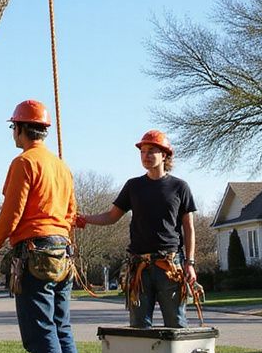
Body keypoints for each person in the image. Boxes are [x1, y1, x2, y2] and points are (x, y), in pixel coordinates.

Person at [0, 100, 84, 353]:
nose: (14, 133)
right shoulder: (61, 167)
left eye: (14, 127)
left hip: (35, 253)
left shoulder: (24, 163)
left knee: (40, 331)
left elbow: (11, 214)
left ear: (22, 129)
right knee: (60, 328)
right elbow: (70, 214)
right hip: (61, 251)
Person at [76, 129, 197, 328]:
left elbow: (189, 227)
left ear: (164, 155)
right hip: (140, 267)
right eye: (142, 151)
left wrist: (190, 263)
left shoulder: (179, 187)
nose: (146, 156)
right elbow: (111, 216)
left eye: (151, 151)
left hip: (170, 265)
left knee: (176, 325)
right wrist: (84, 219)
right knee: (139, 327)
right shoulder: (134, 186)